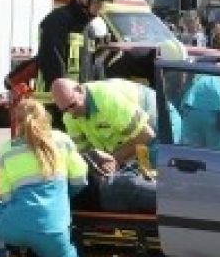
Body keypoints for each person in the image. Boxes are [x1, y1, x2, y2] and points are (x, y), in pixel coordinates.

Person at [0, 99, 87, 257]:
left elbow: (6, 197)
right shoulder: (62, 141)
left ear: (16, 122)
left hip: (14, 226)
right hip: (53, 230)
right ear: (46, 117)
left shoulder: (6, 150)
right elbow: (80, 179)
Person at [51, 77, 157, 213]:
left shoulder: (107, 99)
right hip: (128, 138)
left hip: (156, 123)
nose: (71, 112)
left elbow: (146, 135)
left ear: (79, 89)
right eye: (65, 110)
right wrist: (100, 164)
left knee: (153, 188)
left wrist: (113, 159)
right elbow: (86, 154)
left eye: (72, 105)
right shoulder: (70, 116)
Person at [35, 0, 114, 89]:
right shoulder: (57, 21)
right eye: (97, 1)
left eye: (103, 2)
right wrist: (66, 100)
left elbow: (92, 70)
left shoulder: (89, 30)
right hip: (52, 102)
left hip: (77, 103)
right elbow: (53, 67)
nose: (101, 6)